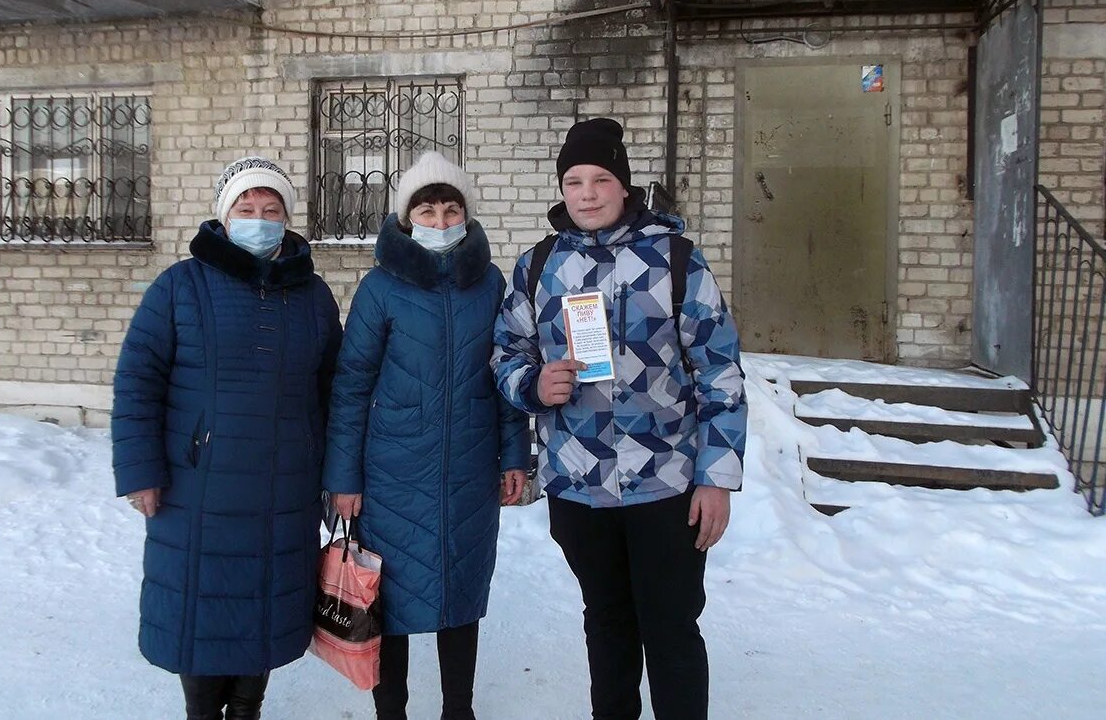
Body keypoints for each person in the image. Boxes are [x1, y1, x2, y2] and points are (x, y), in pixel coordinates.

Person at [492, 117, 747, 720]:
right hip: (580, 484)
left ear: (624, 187)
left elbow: (721, 375)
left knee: (670, 627)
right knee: (606, 624)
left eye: (601, 178)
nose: (586, 193)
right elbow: (506, 355)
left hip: (668, 481)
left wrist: (716, 477)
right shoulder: (537, 268)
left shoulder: (678, 262)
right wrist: (533, 384)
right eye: (574, 180)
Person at [111, 156, 342, 720]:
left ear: (287, 219)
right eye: (247, 207)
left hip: (285, 487)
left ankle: (247, 710)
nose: (259, 218)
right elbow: (137, 380)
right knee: (202, 609)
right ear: (224, 214)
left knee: (264, 607)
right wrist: (140, 470)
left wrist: (335, 475)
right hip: (198, 488)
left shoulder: (311, 296)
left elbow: (335, 392)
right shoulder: (179, 288)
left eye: (271, 209)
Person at [324, 151, 530, 720]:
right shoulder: (380, 289)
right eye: (427, 210)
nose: (440, 222)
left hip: (467, 473)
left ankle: (457, 711)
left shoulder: (490, 286)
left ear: (466, 215)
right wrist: (343, 478)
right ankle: (392, 713)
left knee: (460, 598)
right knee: (388, 605)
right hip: (391, 478)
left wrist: (514, 454)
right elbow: (350, 387)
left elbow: (506, 373)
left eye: (450, 209)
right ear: (405, 218)